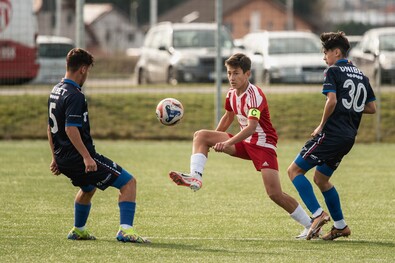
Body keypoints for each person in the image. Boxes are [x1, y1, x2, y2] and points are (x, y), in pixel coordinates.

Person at [169, 53, 313, 239]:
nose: (231, 78)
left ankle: (310, 225)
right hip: (244, 143)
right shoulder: (231, 93)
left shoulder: (255, 95)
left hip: (263, 145)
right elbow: (229, 116)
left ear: (247, 74)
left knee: (274, 193)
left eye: (236, 73)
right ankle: (195, 177)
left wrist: (226, 142)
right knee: (201, 136)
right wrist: (214, 140)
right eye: (229, 73)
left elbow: (252, 128)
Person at [47, 48, 149, 243]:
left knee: (88, 187)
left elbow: (50, 127)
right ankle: (125, 230)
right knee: (129, 183)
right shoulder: (75, 94)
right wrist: (87, 157)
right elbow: (70, 129)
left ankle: (79, 229)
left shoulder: (55, 90)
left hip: (64, 158)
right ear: (83, 69)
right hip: (80, 158)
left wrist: (55, 157)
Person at [287, 31, 376, 241]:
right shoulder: (361, 75)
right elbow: (371, 108)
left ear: (337, 52)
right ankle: (341, 226)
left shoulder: (333, 71)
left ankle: (318, 215)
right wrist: (351, 107)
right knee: (321, 179)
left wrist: (320, 125)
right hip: (348, 137)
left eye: (326, 52)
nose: (324, 57)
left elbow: (332, 101)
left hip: (332, 133)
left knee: (294, 171)